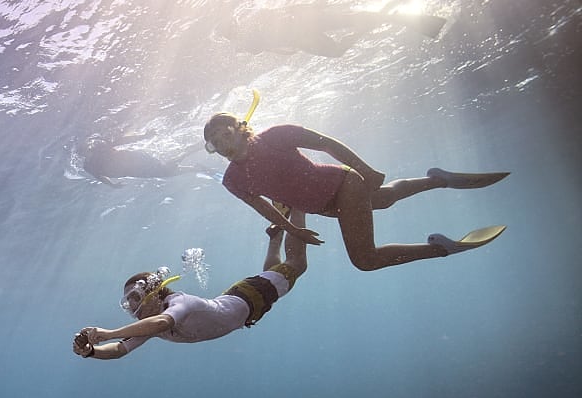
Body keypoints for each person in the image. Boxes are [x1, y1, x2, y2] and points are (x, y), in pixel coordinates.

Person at [202, 113, 509, 271]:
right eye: (214, 144)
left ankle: (443, 248)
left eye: (224, 135)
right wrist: (293, 228)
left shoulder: (277, 135)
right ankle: (439, 179)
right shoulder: (232, 180)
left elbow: (326, 143)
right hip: (325, 205)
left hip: (343, 184)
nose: (222, 146)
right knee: (385, 199)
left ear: (241, 128)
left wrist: (366, 170)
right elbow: (262, 208)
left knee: (365, 260)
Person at [72, 210, 308, 360]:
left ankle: (298, 207)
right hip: (245, 306)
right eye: (127, 302)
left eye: (134, 296)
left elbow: (162, 322)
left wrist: (109, 333)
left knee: (296, 264)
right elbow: (119, 350)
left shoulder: (176, 303)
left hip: (251, 295)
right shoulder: (149, 326)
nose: (132, 306)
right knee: (274, 275)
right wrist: (90, 352)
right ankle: (275, 238)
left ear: (154, 292)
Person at [216, 3, 447, 58]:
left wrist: (294, 47)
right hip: (304, 29)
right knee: (344, 36)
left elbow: (278, 48)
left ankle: (385, 18)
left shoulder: (247, 42)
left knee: (342, 39)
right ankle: (386, 17)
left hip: (303, 29)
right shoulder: (249, 36)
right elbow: (277, 44)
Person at [82, 131, 206, 188]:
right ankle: (195, 168)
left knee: (164, 169)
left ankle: (191, 149)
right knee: (165, 173)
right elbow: (99, 177)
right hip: (135, 171)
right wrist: (112, 185)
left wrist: (144, 136)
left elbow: (122, 141)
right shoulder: (88, 166)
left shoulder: (99, 150)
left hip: (137, 161)